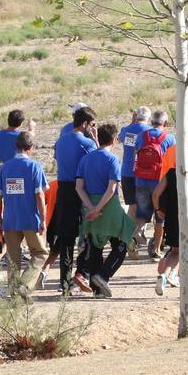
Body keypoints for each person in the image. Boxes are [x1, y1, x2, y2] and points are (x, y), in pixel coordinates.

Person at [75, 123, 133, 298]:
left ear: (98, 138)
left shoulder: (85, 159)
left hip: (89, 205)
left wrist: (91, 208)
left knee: (94, 245)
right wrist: (99, 208)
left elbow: (79, 187)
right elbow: (111, 188)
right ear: (115, 140)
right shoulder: (113, 159)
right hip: (109, 206)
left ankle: (97, 290)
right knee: (122, 241)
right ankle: (103, 275)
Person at [47, 106, 96, 295]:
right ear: (84, 124)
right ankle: (82, 273)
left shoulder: (60, 141)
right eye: (91, 125)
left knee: (66, 239)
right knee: (87, 235)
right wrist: (95, 141)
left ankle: (64, 283)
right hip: (81, 189)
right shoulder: (88, 144)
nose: (92, 128)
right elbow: (94, 165)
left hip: (63, 190)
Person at [152, 144, 188, 297]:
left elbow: (155, 194)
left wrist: (159, 210)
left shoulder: (170, 174)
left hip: (172, 217)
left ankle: (164, 275)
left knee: (175, 252)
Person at [0, 131, 49, 296]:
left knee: (13, 257)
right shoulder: (34, 167)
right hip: (30, 218)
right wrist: (43, 219)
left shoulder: (5, 167)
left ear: (16, 146)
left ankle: (12, 291)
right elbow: (39, 194)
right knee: (40, 253)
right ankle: (24, 286)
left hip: (10, 218)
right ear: (30, 147)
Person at [131, 111, 173, 260]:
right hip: (160, 182)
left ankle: (134, 234)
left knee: (142, 214)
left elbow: (136, 151)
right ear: (165, 123)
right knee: (160, 216)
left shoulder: (143, 136)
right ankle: (156, 249)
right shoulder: (169, 138)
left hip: (141, 179)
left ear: (152, 122)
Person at [117, 107, 150, 220]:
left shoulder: (126, 130)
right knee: (143, 205)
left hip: (126, 171)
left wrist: (132, 123)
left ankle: (129, 233)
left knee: (132, 205)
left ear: (136, 115)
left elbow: (119, 139)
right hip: (142, 173)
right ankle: (135, 233)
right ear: (148, 117)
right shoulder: (149, 131)